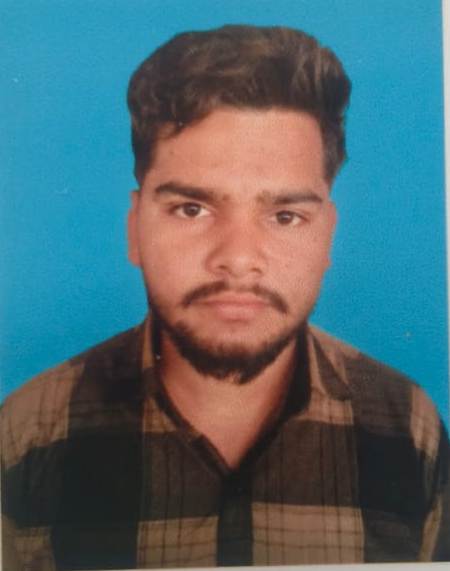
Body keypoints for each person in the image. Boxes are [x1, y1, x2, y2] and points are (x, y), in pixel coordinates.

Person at [1, 24, 449, 570]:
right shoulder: (24, 436)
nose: (237, 258)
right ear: (135, 228)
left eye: (285, 216)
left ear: (327, 236)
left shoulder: (409, 428)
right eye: (192, 209)